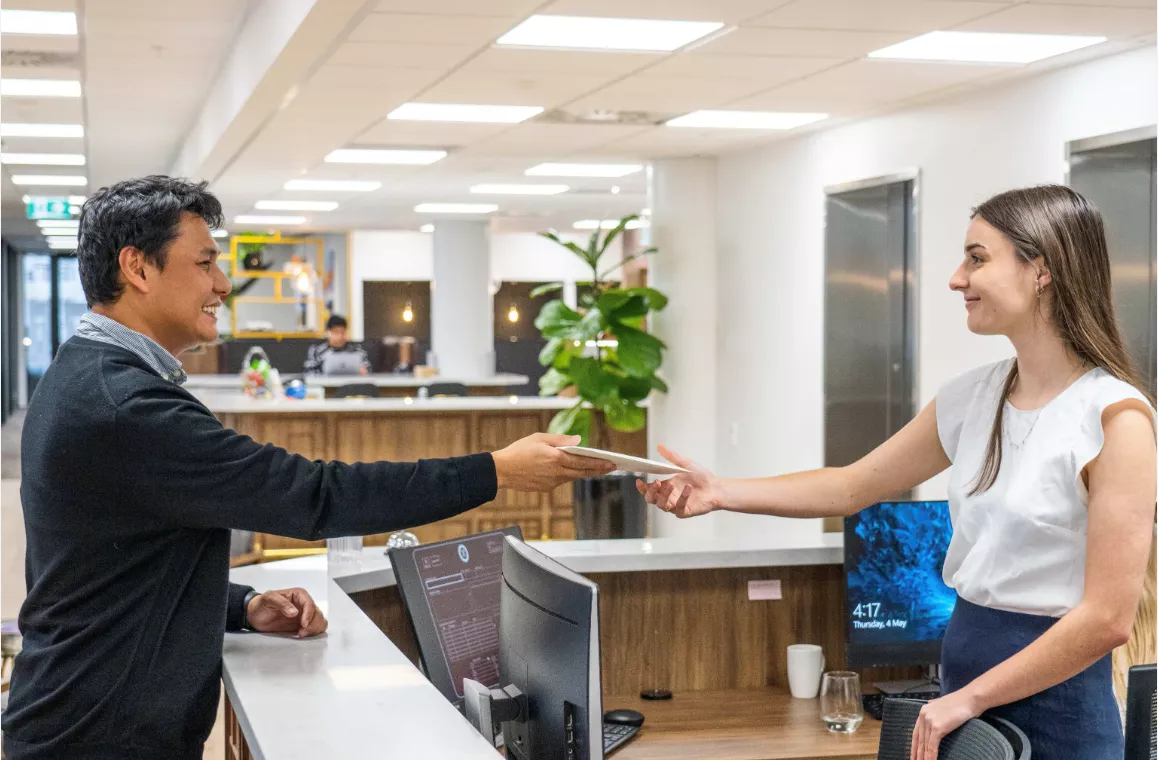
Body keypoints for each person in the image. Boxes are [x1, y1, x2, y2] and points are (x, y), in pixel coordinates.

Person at [2, 175, 614, 760]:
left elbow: (113, 562)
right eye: (204, 262)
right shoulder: (127, 406)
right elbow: (316, 496)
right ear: (137, 267)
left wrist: (240, 606)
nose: (221, 284)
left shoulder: (88, 375)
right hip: (98, 730)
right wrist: (496, 470)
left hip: (87, 710)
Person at [638, 185, 1155, 760]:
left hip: (1053, 704)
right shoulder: (972, 397)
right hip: (962, 680)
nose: (958, 279)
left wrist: (971, 699)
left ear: (1042, 271)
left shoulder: (1115, 419)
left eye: (977, 259)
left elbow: (1108, 618)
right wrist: (721, 491)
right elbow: (851, 485)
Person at [304, 313, 371, 375]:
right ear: (327, 333)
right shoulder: (317, 350)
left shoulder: (357, 350)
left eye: (343, 333)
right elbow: (308, 372)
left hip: (351, 385)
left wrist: (364, 372)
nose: (340, 337)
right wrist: (323, 374)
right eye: (336, 332)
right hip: (326, 386)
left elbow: (368, 370)